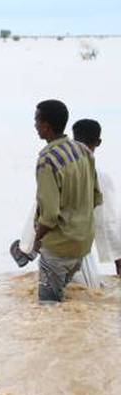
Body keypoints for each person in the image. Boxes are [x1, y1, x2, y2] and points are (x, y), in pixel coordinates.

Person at [31, 100, 102, 302]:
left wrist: (36, 242)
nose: (35, 125)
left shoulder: (47, 160)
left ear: (46, 126)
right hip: (82, 245)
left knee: (48, 307)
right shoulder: (83, 151)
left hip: (58, 247)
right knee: (65, 304)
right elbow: (96, 197)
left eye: (36, 120)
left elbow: (50, 215)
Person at [73, 119, 121, 278]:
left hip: (57, 253)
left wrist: (28, 247)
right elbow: (109, 224)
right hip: (79, 255)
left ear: (73, 141)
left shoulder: (59, 173)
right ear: (98, 142)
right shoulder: (101, 178)